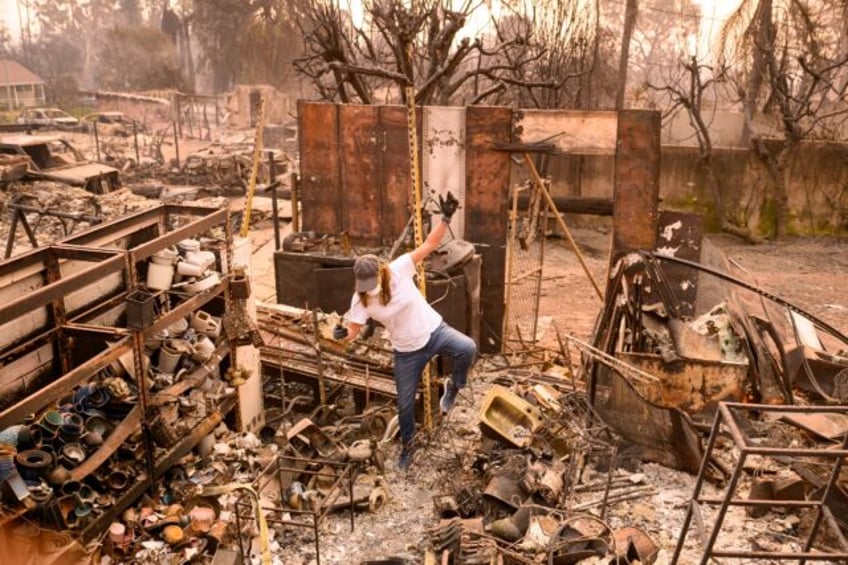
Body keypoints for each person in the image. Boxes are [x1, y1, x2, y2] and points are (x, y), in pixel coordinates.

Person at [333, 191, 477, 471]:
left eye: (371, 281)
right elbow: (352, 330)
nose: (368, 288)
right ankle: (408, 449)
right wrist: (342, 335)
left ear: (381, 272)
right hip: (406, 351)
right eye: (363, 284)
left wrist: (446, 218)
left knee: (467, 348)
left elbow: (431, 244)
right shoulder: (360, 298)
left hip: (434, 331)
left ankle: (454, 386)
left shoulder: (399, 268)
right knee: (405, 406)